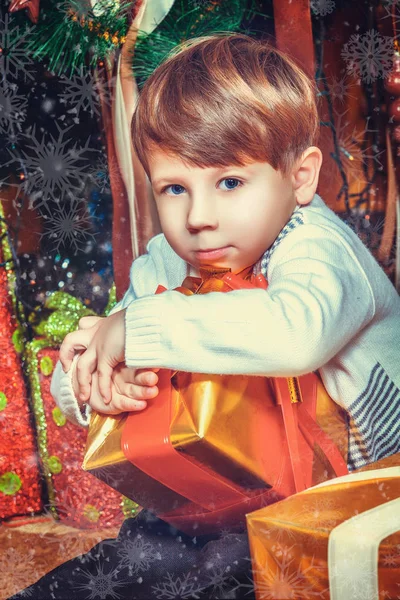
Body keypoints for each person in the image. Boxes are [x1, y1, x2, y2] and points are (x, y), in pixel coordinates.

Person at [10, 32, 400, 599]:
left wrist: (136, 329)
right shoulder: (168, 260)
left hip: (356, 493)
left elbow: (298, 334)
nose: (199, 217)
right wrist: (94, 383)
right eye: (174, 188)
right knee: (133, 558)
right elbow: (105, 352)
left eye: (230, 182)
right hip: (228, 487)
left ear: (300, 177)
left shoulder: (317, 247)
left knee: (233, 571)